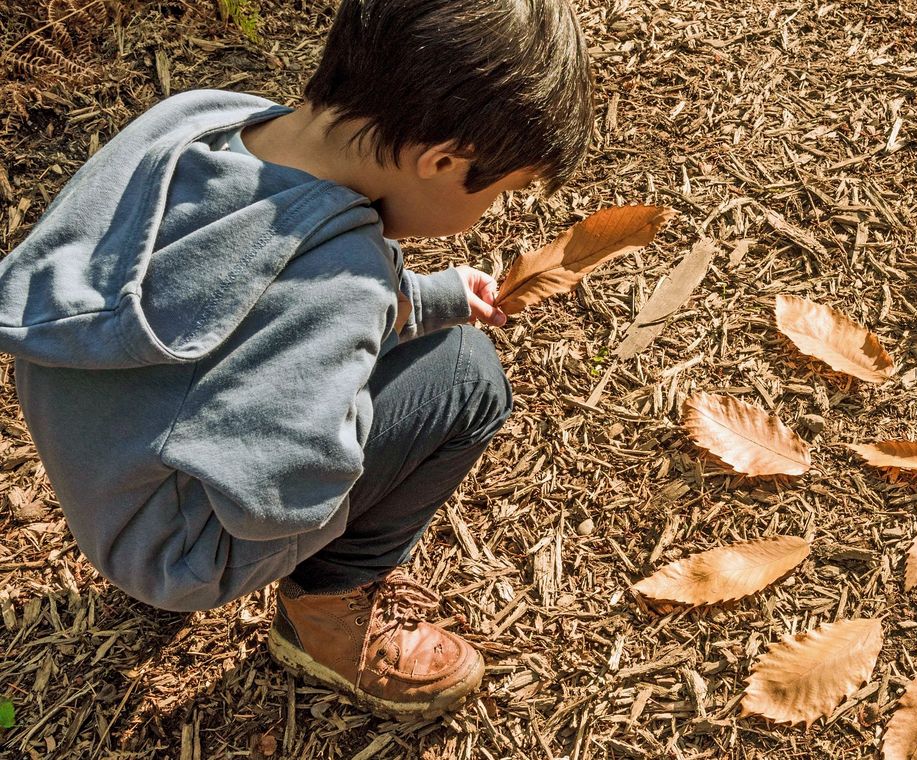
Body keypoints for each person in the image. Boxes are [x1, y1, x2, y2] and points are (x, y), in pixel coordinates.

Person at [0, 0, 592, 719]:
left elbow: (243, 283)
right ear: (442, 160)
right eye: (501, 194)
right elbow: (277, 502)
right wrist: (344, 388)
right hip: (177, 551)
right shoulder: (341, 284)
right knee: (466, 381)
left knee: (443, 343)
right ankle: (326, 609)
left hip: (104, 470)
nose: (494, 212)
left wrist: (426, 299)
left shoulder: (205, 123)